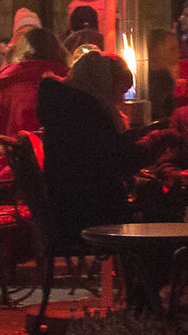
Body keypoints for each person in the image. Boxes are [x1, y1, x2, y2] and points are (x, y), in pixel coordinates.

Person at [39, 54, 140, 236]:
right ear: (103, 83)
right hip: (90, 215)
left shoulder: (65, 106)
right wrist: (155, 140)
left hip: (65, 211)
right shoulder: (88, 114)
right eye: (119, 92)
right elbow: (119, 162)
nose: (121, 100)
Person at [0, 24, 69, 167]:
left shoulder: (7, 81)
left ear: (22, 52)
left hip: (9, 169)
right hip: (63, 166)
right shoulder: (70, 81)